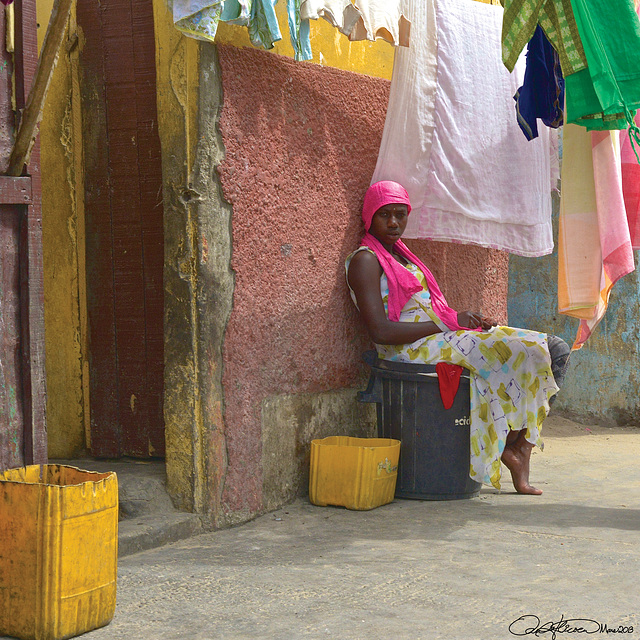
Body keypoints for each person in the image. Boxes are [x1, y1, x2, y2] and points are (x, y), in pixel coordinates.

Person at [346, 180, 570, 495]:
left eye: (400, 214)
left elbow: (429, 312)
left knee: (554, 352)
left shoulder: (403, 257)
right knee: (548, 351)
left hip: (436, 340)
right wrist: (448, 324)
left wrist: (462, 322)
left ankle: (518, 445)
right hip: (405, 351)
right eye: (385, 215)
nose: (394, 223)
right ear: (369, 216)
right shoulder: (365, 260)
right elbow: (380, 332)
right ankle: (513, 447)